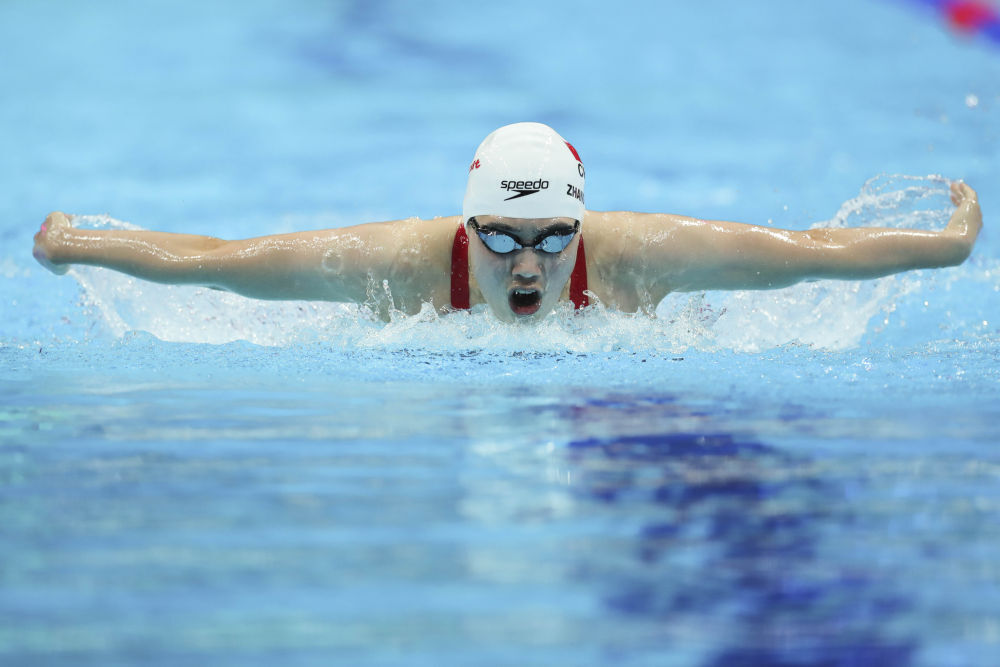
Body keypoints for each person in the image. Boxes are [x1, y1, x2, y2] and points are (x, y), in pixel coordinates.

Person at [33, 122, 983, 322]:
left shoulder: (635, 256)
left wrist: (944, 248)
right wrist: (79, 245)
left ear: (581, 229)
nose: (527, 265)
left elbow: (811, 253)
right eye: (499, 236)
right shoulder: (397, 264)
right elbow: (215, 259)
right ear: (466, 227)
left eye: (553, 238)